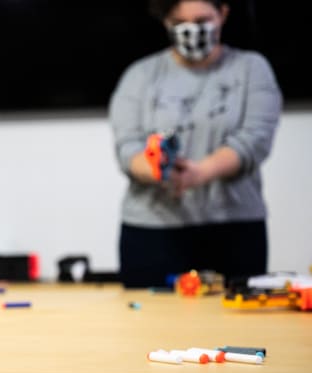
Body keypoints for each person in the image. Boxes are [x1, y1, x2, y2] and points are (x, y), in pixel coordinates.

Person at [109, 0, 282, 288]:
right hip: (153, 229)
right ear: (166, 21)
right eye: (180, 22)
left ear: (223, 13)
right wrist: (155, 169)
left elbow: (254, 139)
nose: (191, 30)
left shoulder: (252, 69)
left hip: (233, 227)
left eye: (202, 19)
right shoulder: (139, 76)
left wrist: (200, 172)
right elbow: (128, 148)